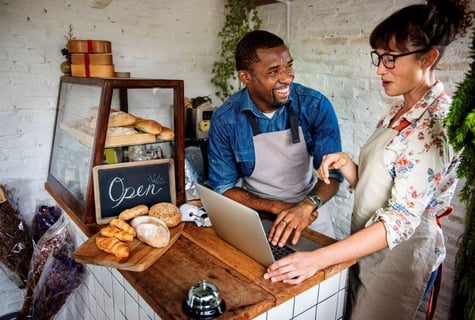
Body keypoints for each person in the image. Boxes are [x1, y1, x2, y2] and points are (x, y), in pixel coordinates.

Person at [263, 0, 474, 319]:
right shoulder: (398, 110)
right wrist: (348, 165)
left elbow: (400, 219)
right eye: (379, 57)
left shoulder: (434, 125)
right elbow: (382, 190)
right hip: (368, 245)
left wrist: (318, 259)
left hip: (401, 257)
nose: (379, 69)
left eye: (391, 59)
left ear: (428, 58)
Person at [207, 30, 343, 244]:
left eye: (289, 65)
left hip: (310, 214)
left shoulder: (314, 105)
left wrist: (307, 205)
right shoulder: (226, 119)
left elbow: (333, 175)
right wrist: (275, 207)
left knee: (326, 276)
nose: (287, 77)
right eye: (273, 71)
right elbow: (223, 188)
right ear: (245, 77)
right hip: (258, 216)